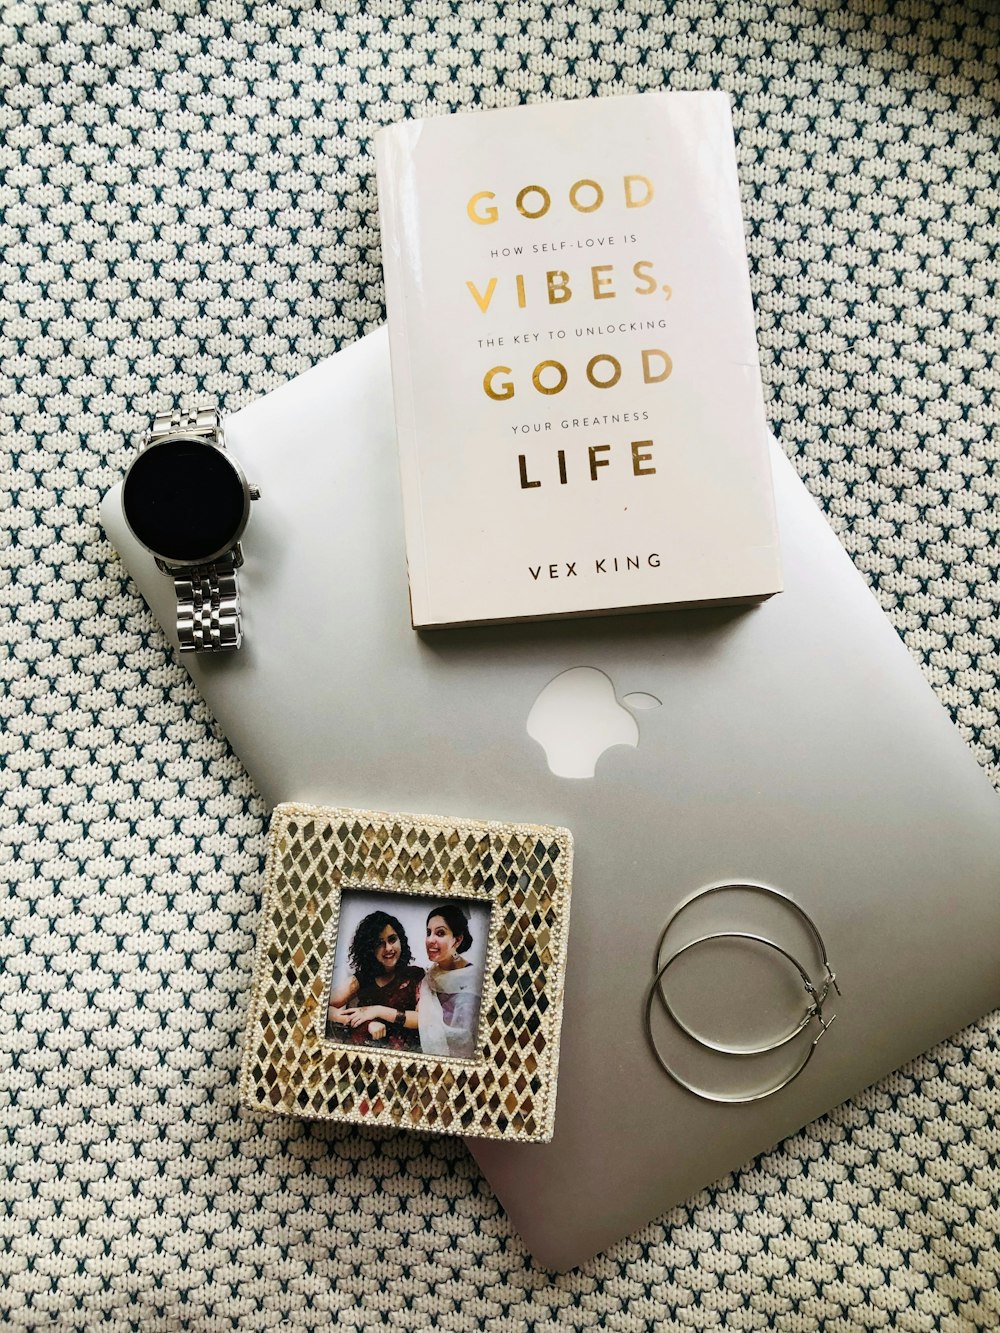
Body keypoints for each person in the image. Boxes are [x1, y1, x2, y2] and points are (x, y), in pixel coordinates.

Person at [326, 910, 423, 1050]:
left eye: (392, 939)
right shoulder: (362, 979)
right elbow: (319, 1005)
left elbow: (422, 1020)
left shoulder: (416, 975)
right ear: (369, 949)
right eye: (379, 943)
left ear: (400, 940)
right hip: (363, 1050)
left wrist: (377, 1010)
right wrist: (366, 1022)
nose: (388, 948)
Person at [417, 904, 480, 1059]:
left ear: (457, 940)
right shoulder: (432, 974)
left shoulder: (471, 981)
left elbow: (462, 1038)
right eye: (428, 932)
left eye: (440, 933)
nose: (430, 940)